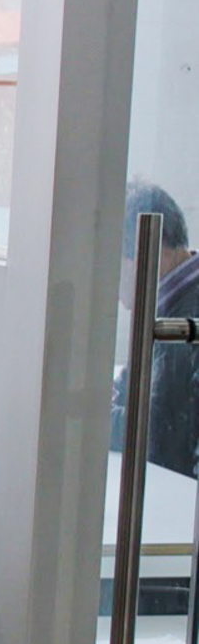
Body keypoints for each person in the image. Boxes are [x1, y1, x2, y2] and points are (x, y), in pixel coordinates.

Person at [110, 181, 199, 477]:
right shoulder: (168, 300)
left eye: (113, 263)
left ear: (146, 250)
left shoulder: (185, 321)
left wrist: (96, 415)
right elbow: (128, 388)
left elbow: (158, 435)